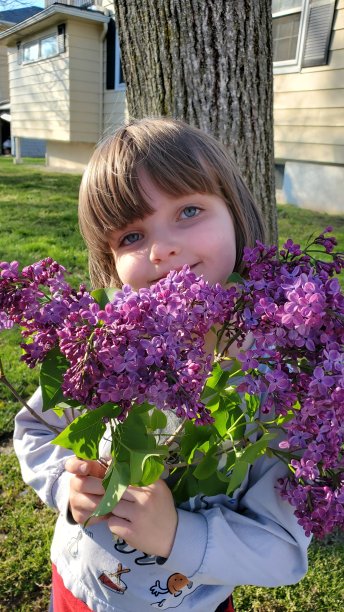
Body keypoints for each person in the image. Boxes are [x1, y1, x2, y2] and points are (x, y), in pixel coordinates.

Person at [13, 118, 310, 612]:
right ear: (109, 264)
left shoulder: (279, 386)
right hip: (77, 588)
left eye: (189, 210)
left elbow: (283, 552)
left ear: (235, 213)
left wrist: (179, 536)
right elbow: (35, 431)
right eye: (130, 236)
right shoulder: (103, 346)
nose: (161, 248)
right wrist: (65, 486)